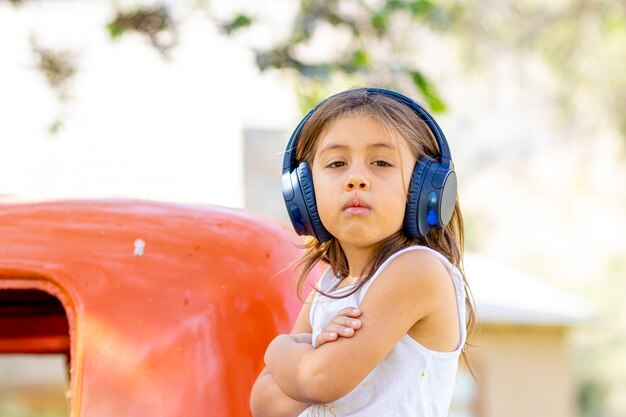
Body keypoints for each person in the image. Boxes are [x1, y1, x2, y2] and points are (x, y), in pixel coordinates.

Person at [250, 87, 477, 417]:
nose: (356, 178)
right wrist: (311, 357)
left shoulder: (416, 270)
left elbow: (319, 380)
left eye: (381, 162)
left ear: (426, 188)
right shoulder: (330, 284)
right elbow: (265, 404)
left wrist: (280, 347)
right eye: (337, 163)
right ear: (304, 191)